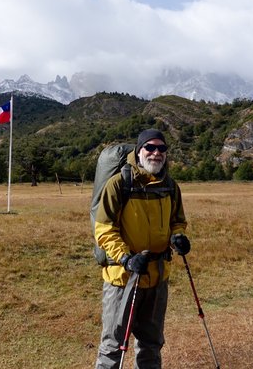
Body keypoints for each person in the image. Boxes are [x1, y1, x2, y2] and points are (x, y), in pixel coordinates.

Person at [94, 129, 191, 369]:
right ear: (139, 152)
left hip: (157, 278)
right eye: (150, 147)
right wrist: (126, 258)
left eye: (162, 149)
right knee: (113, 346)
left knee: (151, 343)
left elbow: (177, 221)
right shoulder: (119, 185)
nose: (156, 153)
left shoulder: (170, 186)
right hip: (123, 278)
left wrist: (178, 237)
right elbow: (104, 229)